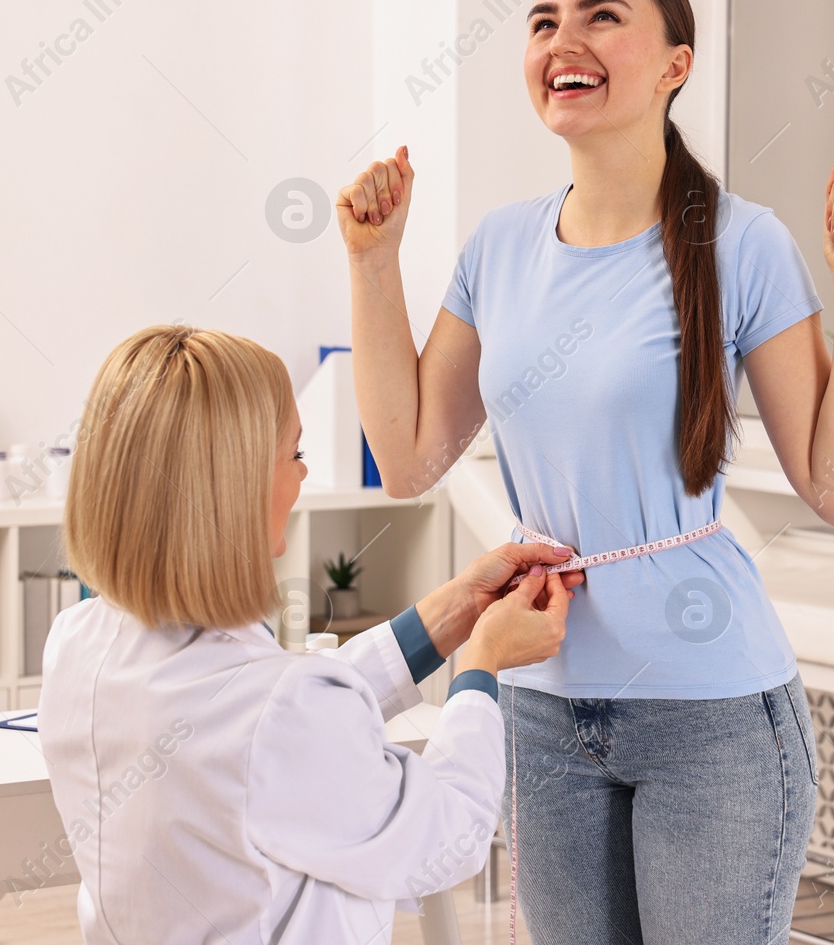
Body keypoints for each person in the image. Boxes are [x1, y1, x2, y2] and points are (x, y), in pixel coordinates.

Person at [336, 0, 834, 943]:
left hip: (708, 710)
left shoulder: (740, 240)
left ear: (675, 64)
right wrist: (373, 262)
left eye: (601, 16)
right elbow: (410, 458)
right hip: (544, 696)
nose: (564, 40)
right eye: (544, 21)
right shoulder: (497, 246)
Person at [38, 324, 583, 944]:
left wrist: (452, 613)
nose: (302, 477)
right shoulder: (281, 710)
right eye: (294, 455)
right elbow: (444, 837)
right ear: (232, 490)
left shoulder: (76, 641)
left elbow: (287, 727)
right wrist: (482, 666)